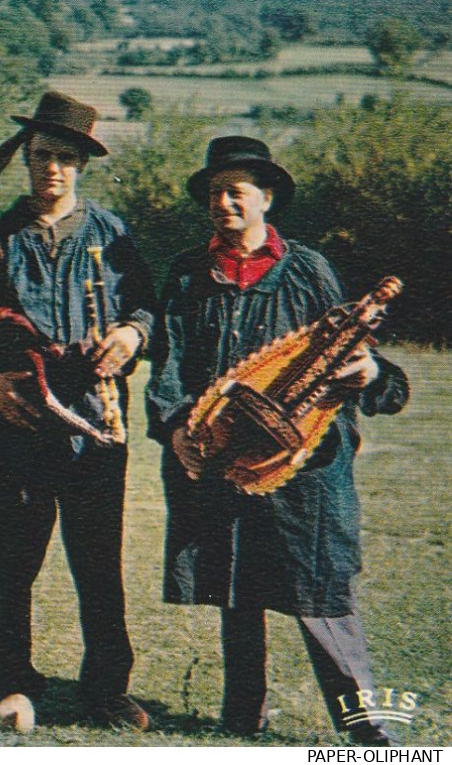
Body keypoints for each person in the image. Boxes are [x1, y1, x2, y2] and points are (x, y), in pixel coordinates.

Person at [147, 136, 409, 746]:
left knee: (321, 598)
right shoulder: (189, 273)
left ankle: (371, 737)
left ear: (266, 199)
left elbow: (353, 350)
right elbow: (169, 363)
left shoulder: (308, 269)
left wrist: (370, 374)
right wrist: (176, 427)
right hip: (222, 452)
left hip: (305, 465)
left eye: (236, 191)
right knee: (237, 588)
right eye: (214, 192)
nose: (223, 202)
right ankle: (243, 722)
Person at [0, 92, 155, 733]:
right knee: (12, 566)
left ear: (82, 166)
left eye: (66, 159)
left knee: (98, 564)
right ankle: (14, 685)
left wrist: (132, 336)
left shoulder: (112, 234)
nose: (53, 170)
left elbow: (148, 309)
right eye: (43, 156)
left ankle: (104, 691)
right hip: (12, 425)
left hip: (96, 427)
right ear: (27, 160)